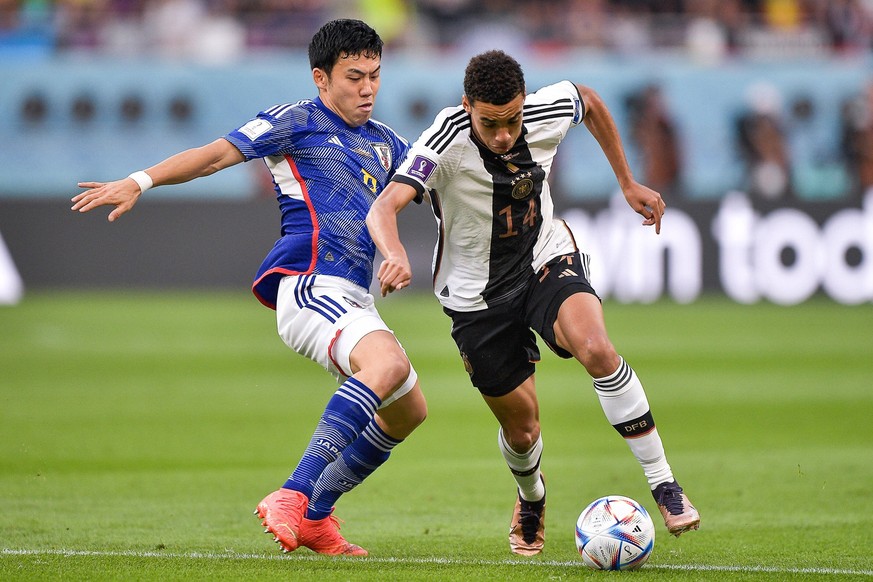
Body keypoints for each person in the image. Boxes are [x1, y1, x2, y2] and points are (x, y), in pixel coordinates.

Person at [71, 19, 427, 557]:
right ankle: (293, 494)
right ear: (321, 78)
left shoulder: (387, 142)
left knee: (408, 411)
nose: (368, 88)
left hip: (354, 296)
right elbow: (216, 155)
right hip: (309, 283)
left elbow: (435, 186)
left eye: (375, 76)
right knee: (389, 367)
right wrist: (140, 181)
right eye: (354, 76)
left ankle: (315, 517)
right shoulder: (296, 121)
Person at [367, 49, 699, 556]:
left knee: (597, 349)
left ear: (525, 105)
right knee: (523, 431)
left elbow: (587, 100)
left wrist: (626, 182)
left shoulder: (545, 109)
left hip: (544, 257)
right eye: (490, 123)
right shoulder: (442, 140)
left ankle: (664, 484)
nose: (503, 134)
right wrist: (393, 254)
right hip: (475, 296)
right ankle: (532, 495)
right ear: (466, 107)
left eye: (513, 120)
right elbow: (384, 206)